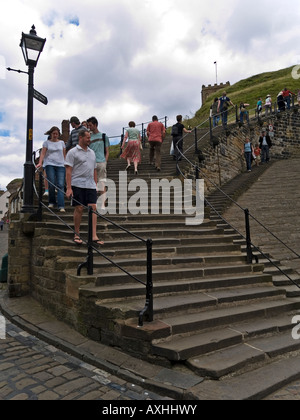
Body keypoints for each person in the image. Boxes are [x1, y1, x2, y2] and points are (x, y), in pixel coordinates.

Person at [65, 130, 104, 246]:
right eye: (87, 137)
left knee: (93, 208)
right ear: (80, 137)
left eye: (90, 137)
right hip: (77, 184)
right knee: (79, 208)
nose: (89, 139)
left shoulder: (92, 152)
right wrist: (69, 188)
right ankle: (76, 233)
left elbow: (94, 169)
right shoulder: (72, 152)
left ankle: (93, 235)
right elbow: (68, 171)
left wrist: (95, 184)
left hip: (90, 184)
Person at [36, 126, 66, 212]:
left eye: (57, 134)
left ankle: (61, 206)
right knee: (52, 184)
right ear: (51, 134)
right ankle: (52, 202)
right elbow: (43, 153)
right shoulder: (46, 143)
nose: (55, 135)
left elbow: (64, 154)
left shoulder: (62, 143)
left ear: (59, 134)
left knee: (60, 185)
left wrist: (66, 164)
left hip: (60, 165)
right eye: (54, 134)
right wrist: (40, 162)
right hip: (49, 164)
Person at [87, 116, 110, 210]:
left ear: (95, 125)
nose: (89, 127)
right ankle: (93, 203)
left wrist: (105, 161)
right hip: (90, 163)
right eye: (88, 125)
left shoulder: (104, 136)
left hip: (101, 162)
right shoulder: (88, 136)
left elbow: (107, 150)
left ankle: (103, 204)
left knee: (102, 183)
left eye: (90, 125)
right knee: (91, 184)